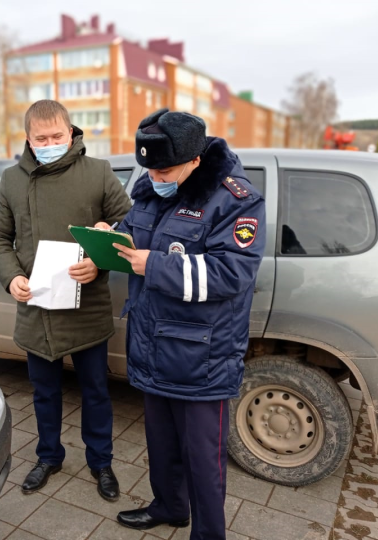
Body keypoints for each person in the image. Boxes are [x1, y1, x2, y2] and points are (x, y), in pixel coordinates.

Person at [109, 109, 266, 539]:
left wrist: (152, 265)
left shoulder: (236, 199)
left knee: (203, 460)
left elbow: (232, 274)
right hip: (153, 344)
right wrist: (110, 237)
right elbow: (134, 234)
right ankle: (170, 507)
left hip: (202, 355)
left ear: (195, 160)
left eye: (164, 168)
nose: (155, 175)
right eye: (150, 167)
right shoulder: (150, 189)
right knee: (161, 447)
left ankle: (209, 533)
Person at [0, 100, 132, 501]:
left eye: (57, 136)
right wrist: (12, 276)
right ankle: (48, 456)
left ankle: (101, 462)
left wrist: (100, 262)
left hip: (87, 309)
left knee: (96, 391)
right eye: (41, 138)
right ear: (28, 139)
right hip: (37, 310)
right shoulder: (12, 180)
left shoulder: (98, 173)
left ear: (72, 133)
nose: (50, 143)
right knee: (43, 393)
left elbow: (129, 228)